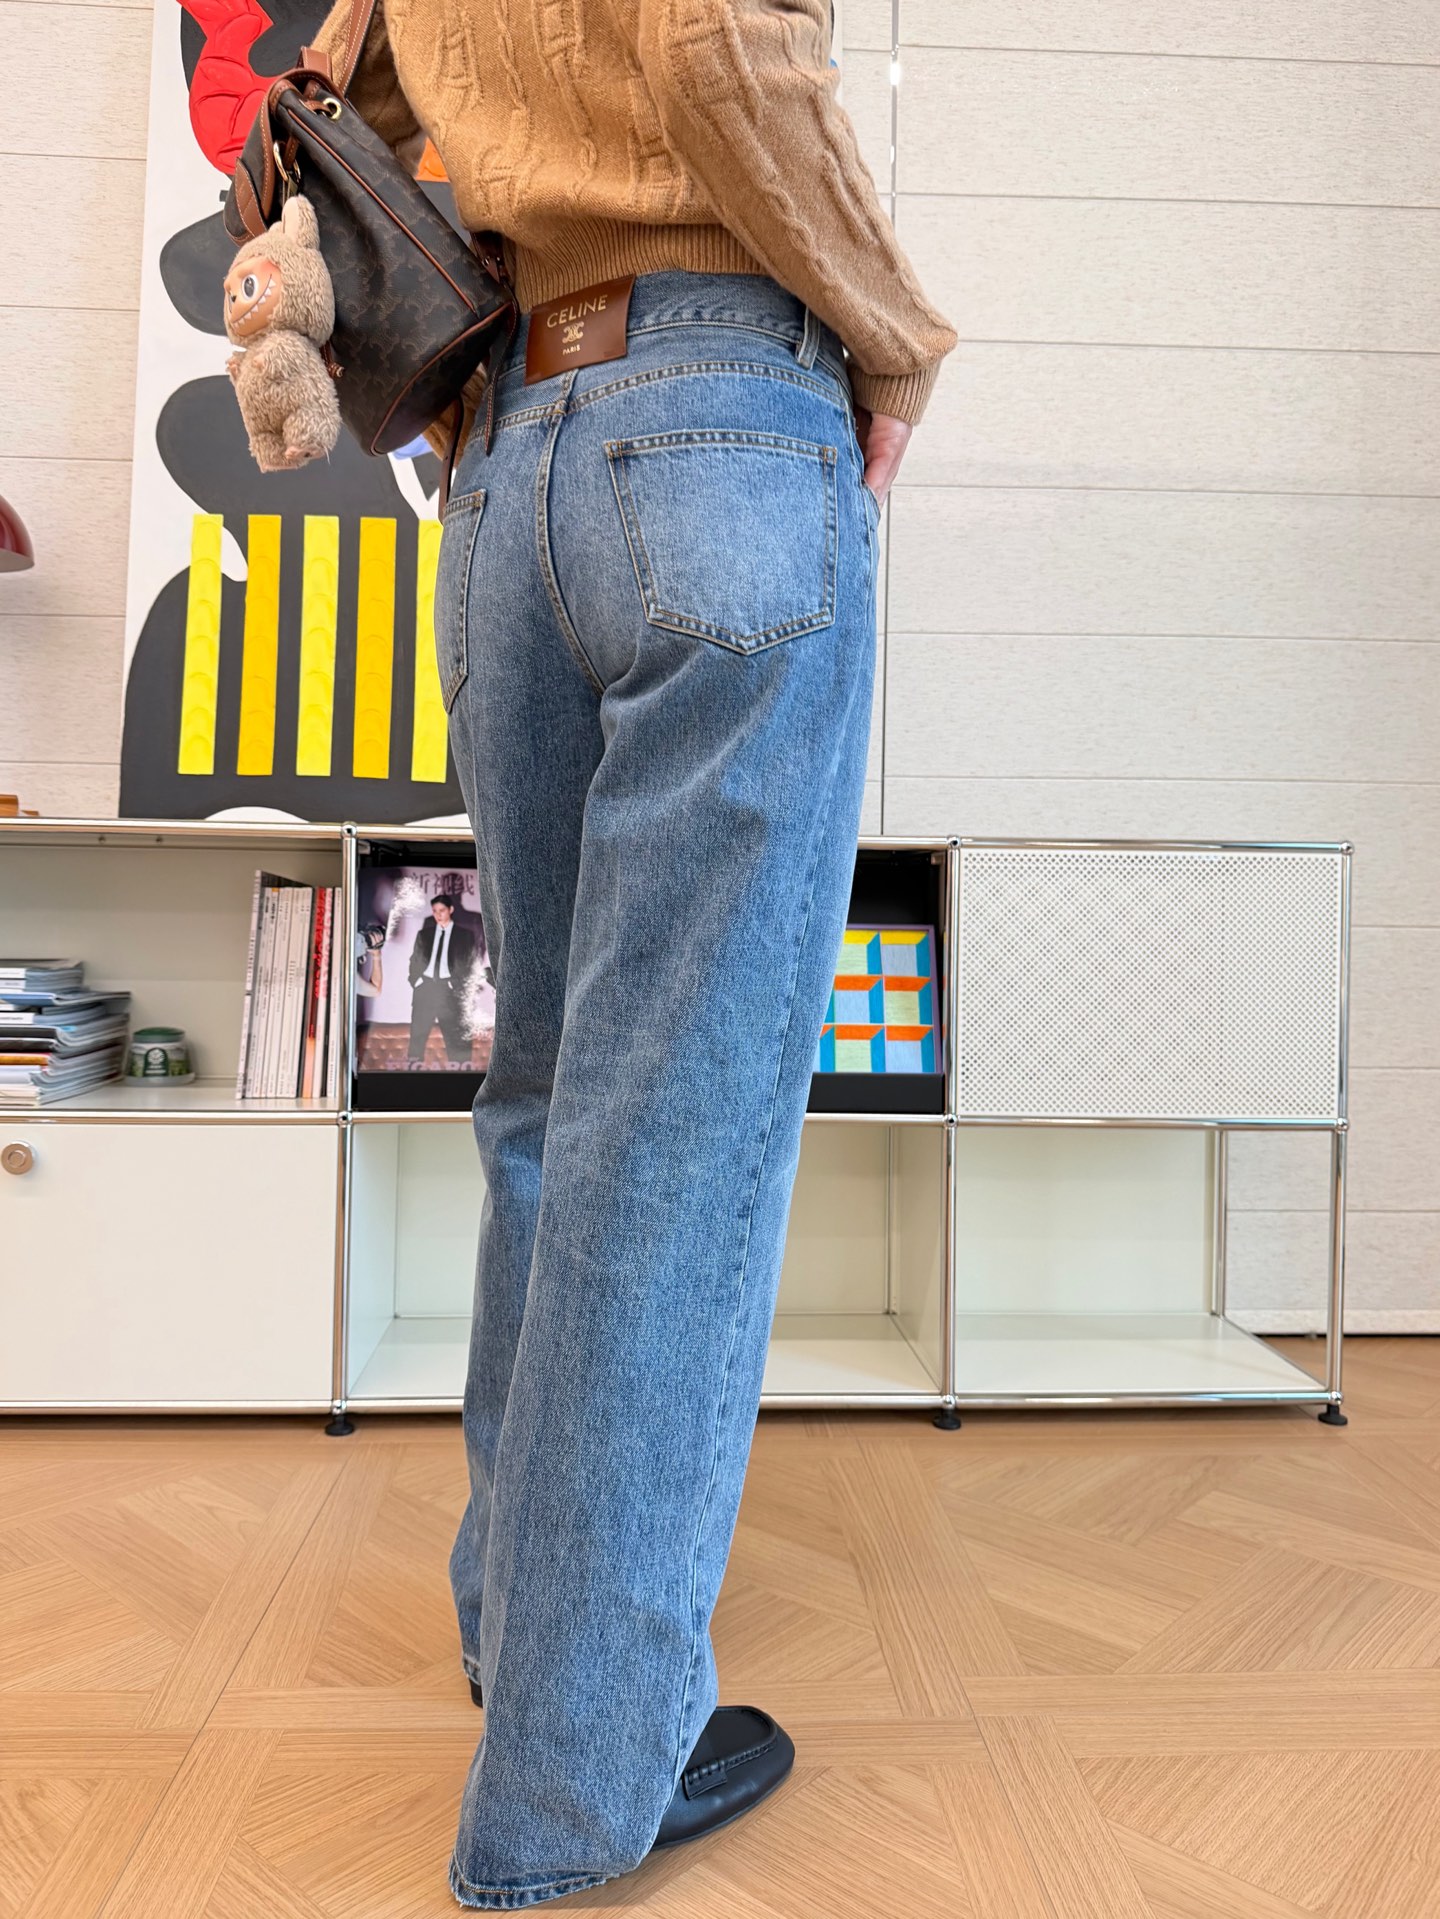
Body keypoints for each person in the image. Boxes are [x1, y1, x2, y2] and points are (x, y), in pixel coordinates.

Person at [304, 0, 958, 1904]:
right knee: (673, 1123)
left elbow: (348, 94)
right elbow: (713, 38)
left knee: (551, 1102)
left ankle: (524, 1636)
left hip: (511, 475)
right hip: (720, 426)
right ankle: (574, 1784)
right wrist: (895, 334)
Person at [407, 895, 478, 1066]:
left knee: (456, 1037)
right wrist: (416, 981)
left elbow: (469, 964)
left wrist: (456, 986)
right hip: (425, 988)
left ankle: (461, 1073)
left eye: (442, 910)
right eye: (434, 911)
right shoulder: (424, 934)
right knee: (417, 1036)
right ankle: (412, 1073)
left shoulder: (465, 935)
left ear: (450, 910)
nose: (438, 915)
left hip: (450, 990)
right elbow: (415, 960)